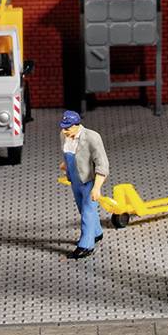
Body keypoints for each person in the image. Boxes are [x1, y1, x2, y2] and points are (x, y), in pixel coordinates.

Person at [57, 110, 109, 260]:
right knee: (83, 210)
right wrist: (66, 164)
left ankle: (86, 245)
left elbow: (102, 164)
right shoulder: (63, 135)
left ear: (76, 125)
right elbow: (71, 154)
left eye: (67, 128)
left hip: (88, 182)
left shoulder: (92, 137)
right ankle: (97, 233)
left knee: (87, 212)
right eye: (63, 127)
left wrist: (97, 187)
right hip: (74, 180)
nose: (64, 131)